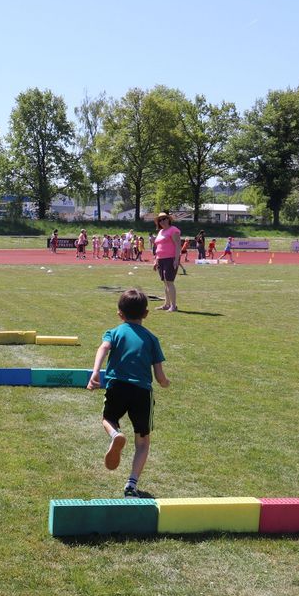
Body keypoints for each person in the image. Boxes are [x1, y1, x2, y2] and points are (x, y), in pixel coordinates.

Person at [87, 288, 169, 497]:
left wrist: (96, 371)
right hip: (141, 392)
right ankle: (131, 484)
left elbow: (103, 348)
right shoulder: (152, 339)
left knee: (108, 418)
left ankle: (115, 434)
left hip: (117, 385)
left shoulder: (113, 332)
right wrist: (166, 382)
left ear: (119, 313)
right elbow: (159, 376)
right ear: (146, 314)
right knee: (142, 441)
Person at [152, 212, 181, 312]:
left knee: (169, 282)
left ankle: (173, 306)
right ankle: (167, 304)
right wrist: (156, 260)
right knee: (165, 283)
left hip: (170, 258)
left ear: (168, 219)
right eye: (160, 220)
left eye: (164, 219)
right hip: (161, 259)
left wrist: (176, 260)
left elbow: (178, 245)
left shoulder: (173, 230)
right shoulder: (160, 232)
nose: (162, 221)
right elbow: (158, 247)